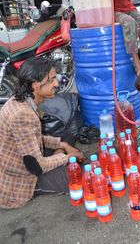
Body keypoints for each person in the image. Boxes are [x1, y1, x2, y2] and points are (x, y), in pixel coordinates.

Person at [0, 57, 83, 209]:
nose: (56, 84)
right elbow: (36, 166)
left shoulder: (18, 101)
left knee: (67, 137)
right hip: (22, 181)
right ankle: (59, 163)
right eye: (51, 80)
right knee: (79, 176)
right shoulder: (22, 114)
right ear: (35, 85)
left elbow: (32, 137)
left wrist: (62, 144)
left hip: (27, 157)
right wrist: (66, 157)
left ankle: (58, 155)